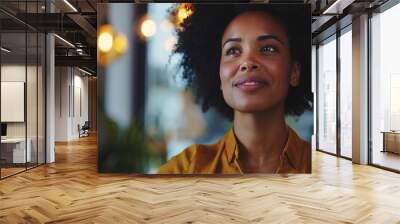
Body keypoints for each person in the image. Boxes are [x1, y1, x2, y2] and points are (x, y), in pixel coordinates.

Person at [158, 4, 312, 174]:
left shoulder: (323, 167)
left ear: (294, 72)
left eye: (268, 49)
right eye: (233, 51)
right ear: (218, 75)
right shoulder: (186, 169)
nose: (247, 62)